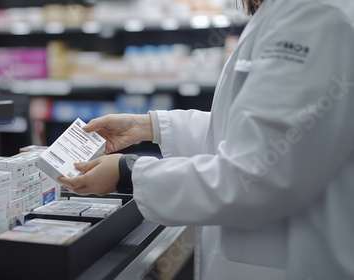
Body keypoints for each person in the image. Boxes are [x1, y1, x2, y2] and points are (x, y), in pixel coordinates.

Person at [57, 0, 354, 279]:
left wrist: (129, 172)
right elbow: (259, 133)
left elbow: (259, 174)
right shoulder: (292, 12)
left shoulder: (312, 15)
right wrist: (148, 126)